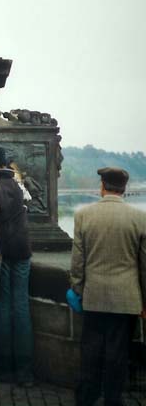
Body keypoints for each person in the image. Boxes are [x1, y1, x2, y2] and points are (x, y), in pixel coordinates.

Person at [71, 167, 146, 406]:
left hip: (94, 296)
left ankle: (86, 398)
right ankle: (113, 399)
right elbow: (144, 266)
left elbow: (77, 262)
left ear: (102, 186)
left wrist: (78, 290)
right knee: (118, 354)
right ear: (124, 189)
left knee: (91, 352)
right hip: (127, 299)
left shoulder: (84, 215)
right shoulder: (140, 218)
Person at [0, 146, 34, 386]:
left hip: (1, 252)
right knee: (21, 307)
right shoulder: (18, 184)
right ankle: (24, 370)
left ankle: (4, 368)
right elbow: (28, 201)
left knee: (3, 306)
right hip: (23, 250)